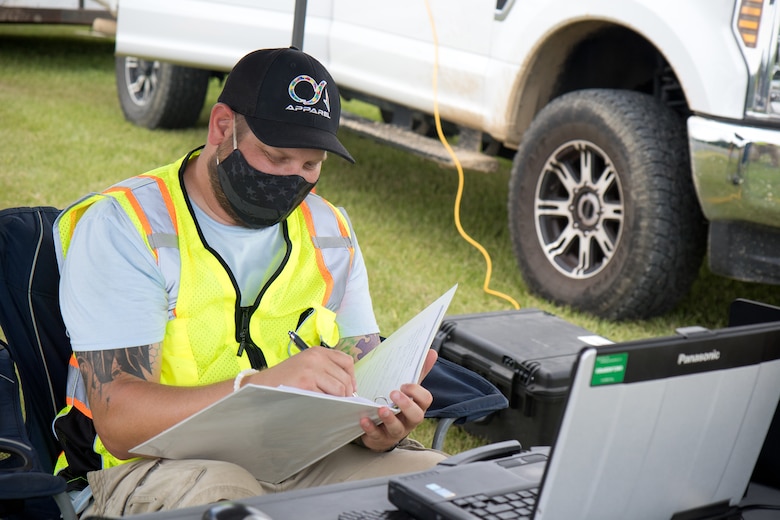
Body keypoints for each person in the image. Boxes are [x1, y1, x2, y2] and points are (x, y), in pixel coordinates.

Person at [52, 47, 447, 516]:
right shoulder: (129, 225)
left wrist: (381, 426)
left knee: (440, 488)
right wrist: (259, 386)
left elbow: (361, 371)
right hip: (154, 468)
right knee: (225, 499)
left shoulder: (329, 233)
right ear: (223, 126)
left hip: (300, 456)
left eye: (310, 165)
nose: (292, 180)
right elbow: (120, 421)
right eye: (276, 156)